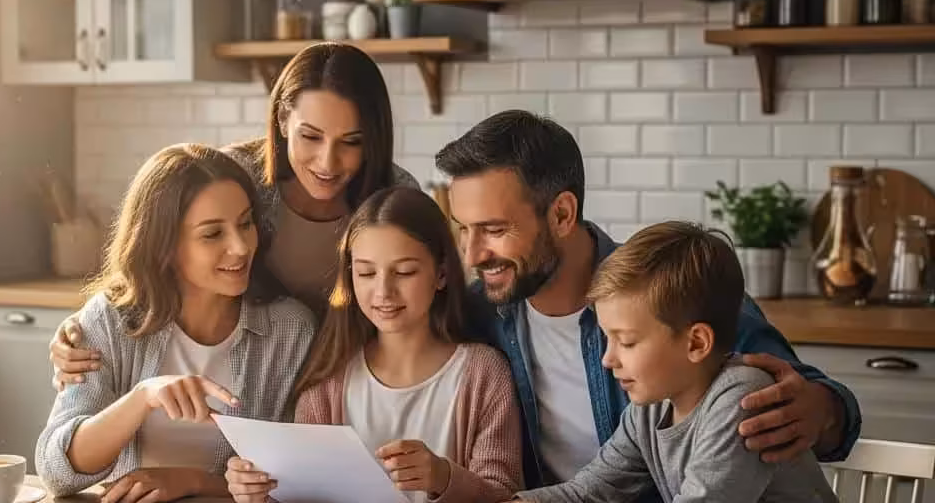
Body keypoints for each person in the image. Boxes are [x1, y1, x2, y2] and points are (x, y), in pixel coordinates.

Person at [434, 110, 861, 494]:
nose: (471, 255)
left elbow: (811, 402)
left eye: (492, 229)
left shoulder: (669, 289)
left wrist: (821, 410)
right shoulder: (478, 313)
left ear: (562, 214)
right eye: (463, 229)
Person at [47, 42, 419, 391]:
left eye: (351, 142)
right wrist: (85, 330)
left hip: (360, 381)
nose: (327, 162)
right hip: (257, 378)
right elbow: (155, 255)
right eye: (311, 137)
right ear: (283, 119)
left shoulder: (396, 196)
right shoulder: (239, 174)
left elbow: (425, 304)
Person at [34, 144, 317, 502]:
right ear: (164, 245)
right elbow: (56, 472)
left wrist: (194, 481)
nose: (241, 247)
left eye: (245, 224)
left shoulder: (290, 330)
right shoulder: (109, 319)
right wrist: (143, 397)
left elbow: (298, 478)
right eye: (212, 234)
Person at [223, 187, 523, 503]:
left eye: (404, 272)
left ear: (442, 274)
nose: (383, 292)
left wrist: (443, 477)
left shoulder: (484, 373)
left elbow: (505, 494)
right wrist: (258, 494)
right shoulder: (328, 383)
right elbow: (306, 496)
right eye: (366, 273)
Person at [510, 221, 838, 503]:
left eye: (626, 341)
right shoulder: (649, 410)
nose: (608, 360)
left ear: (696, 343)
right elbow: (589, 493)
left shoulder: (741, 399)